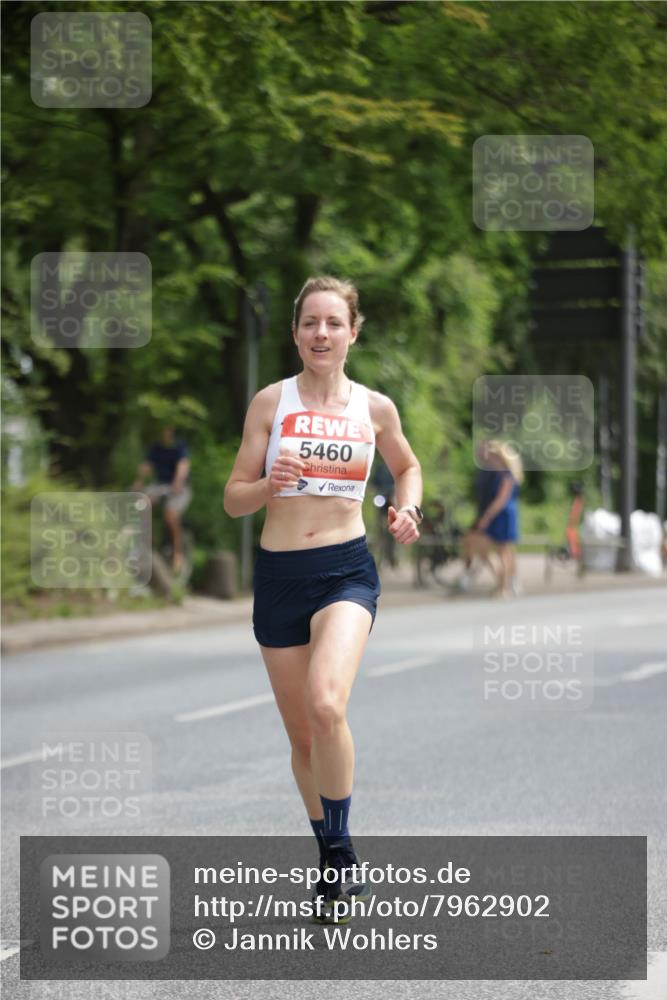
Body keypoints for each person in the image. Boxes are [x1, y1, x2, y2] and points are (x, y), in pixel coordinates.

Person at [224, 275, 422, 922]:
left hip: (345, 571)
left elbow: (407, 466)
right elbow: (232, 498)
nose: (321, 334)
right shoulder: (268, 404)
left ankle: (339, 856)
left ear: (352, 332)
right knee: (302, 738)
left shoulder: (374, 408)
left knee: (325, 704)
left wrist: (406, 510)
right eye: (310, 322)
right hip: (279, 576)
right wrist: (265, 486)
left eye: (333, 323)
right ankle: (331, 859)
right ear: (295, 331)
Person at [463, 439, 523, 598]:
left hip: (502, 515)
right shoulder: (496, 474)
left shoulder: (506, 476)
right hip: (499, 514)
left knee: (503, 551)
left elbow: (501, 500)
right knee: (492, 548)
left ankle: (504, 587)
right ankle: (504, 583)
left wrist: (487, 517)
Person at [132, 425, 192, 573]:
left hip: (179, 487)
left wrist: (177, 483)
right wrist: (138, 483)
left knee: (170, 514)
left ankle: (178, 553)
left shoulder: (179, 446)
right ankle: (148, 542)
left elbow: (183, 466)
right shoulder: (156, 448)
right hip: (160, 485)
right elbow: (146, 466)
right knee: (142, 503)